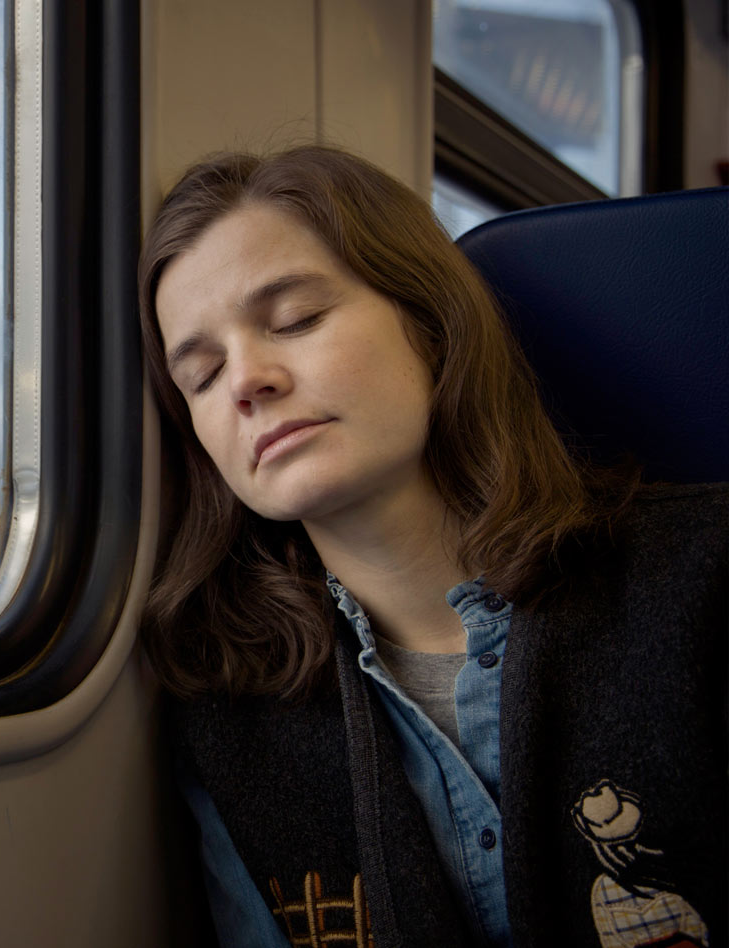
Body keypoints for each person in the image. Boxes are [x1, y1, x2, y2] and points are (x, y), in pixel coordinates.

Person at [137, 145, 726, 948]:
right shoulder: (233, 713)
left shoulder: (706, 573)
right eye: (201, 375)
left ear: (431, 324)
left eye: (297, 320)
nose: (246, 381)